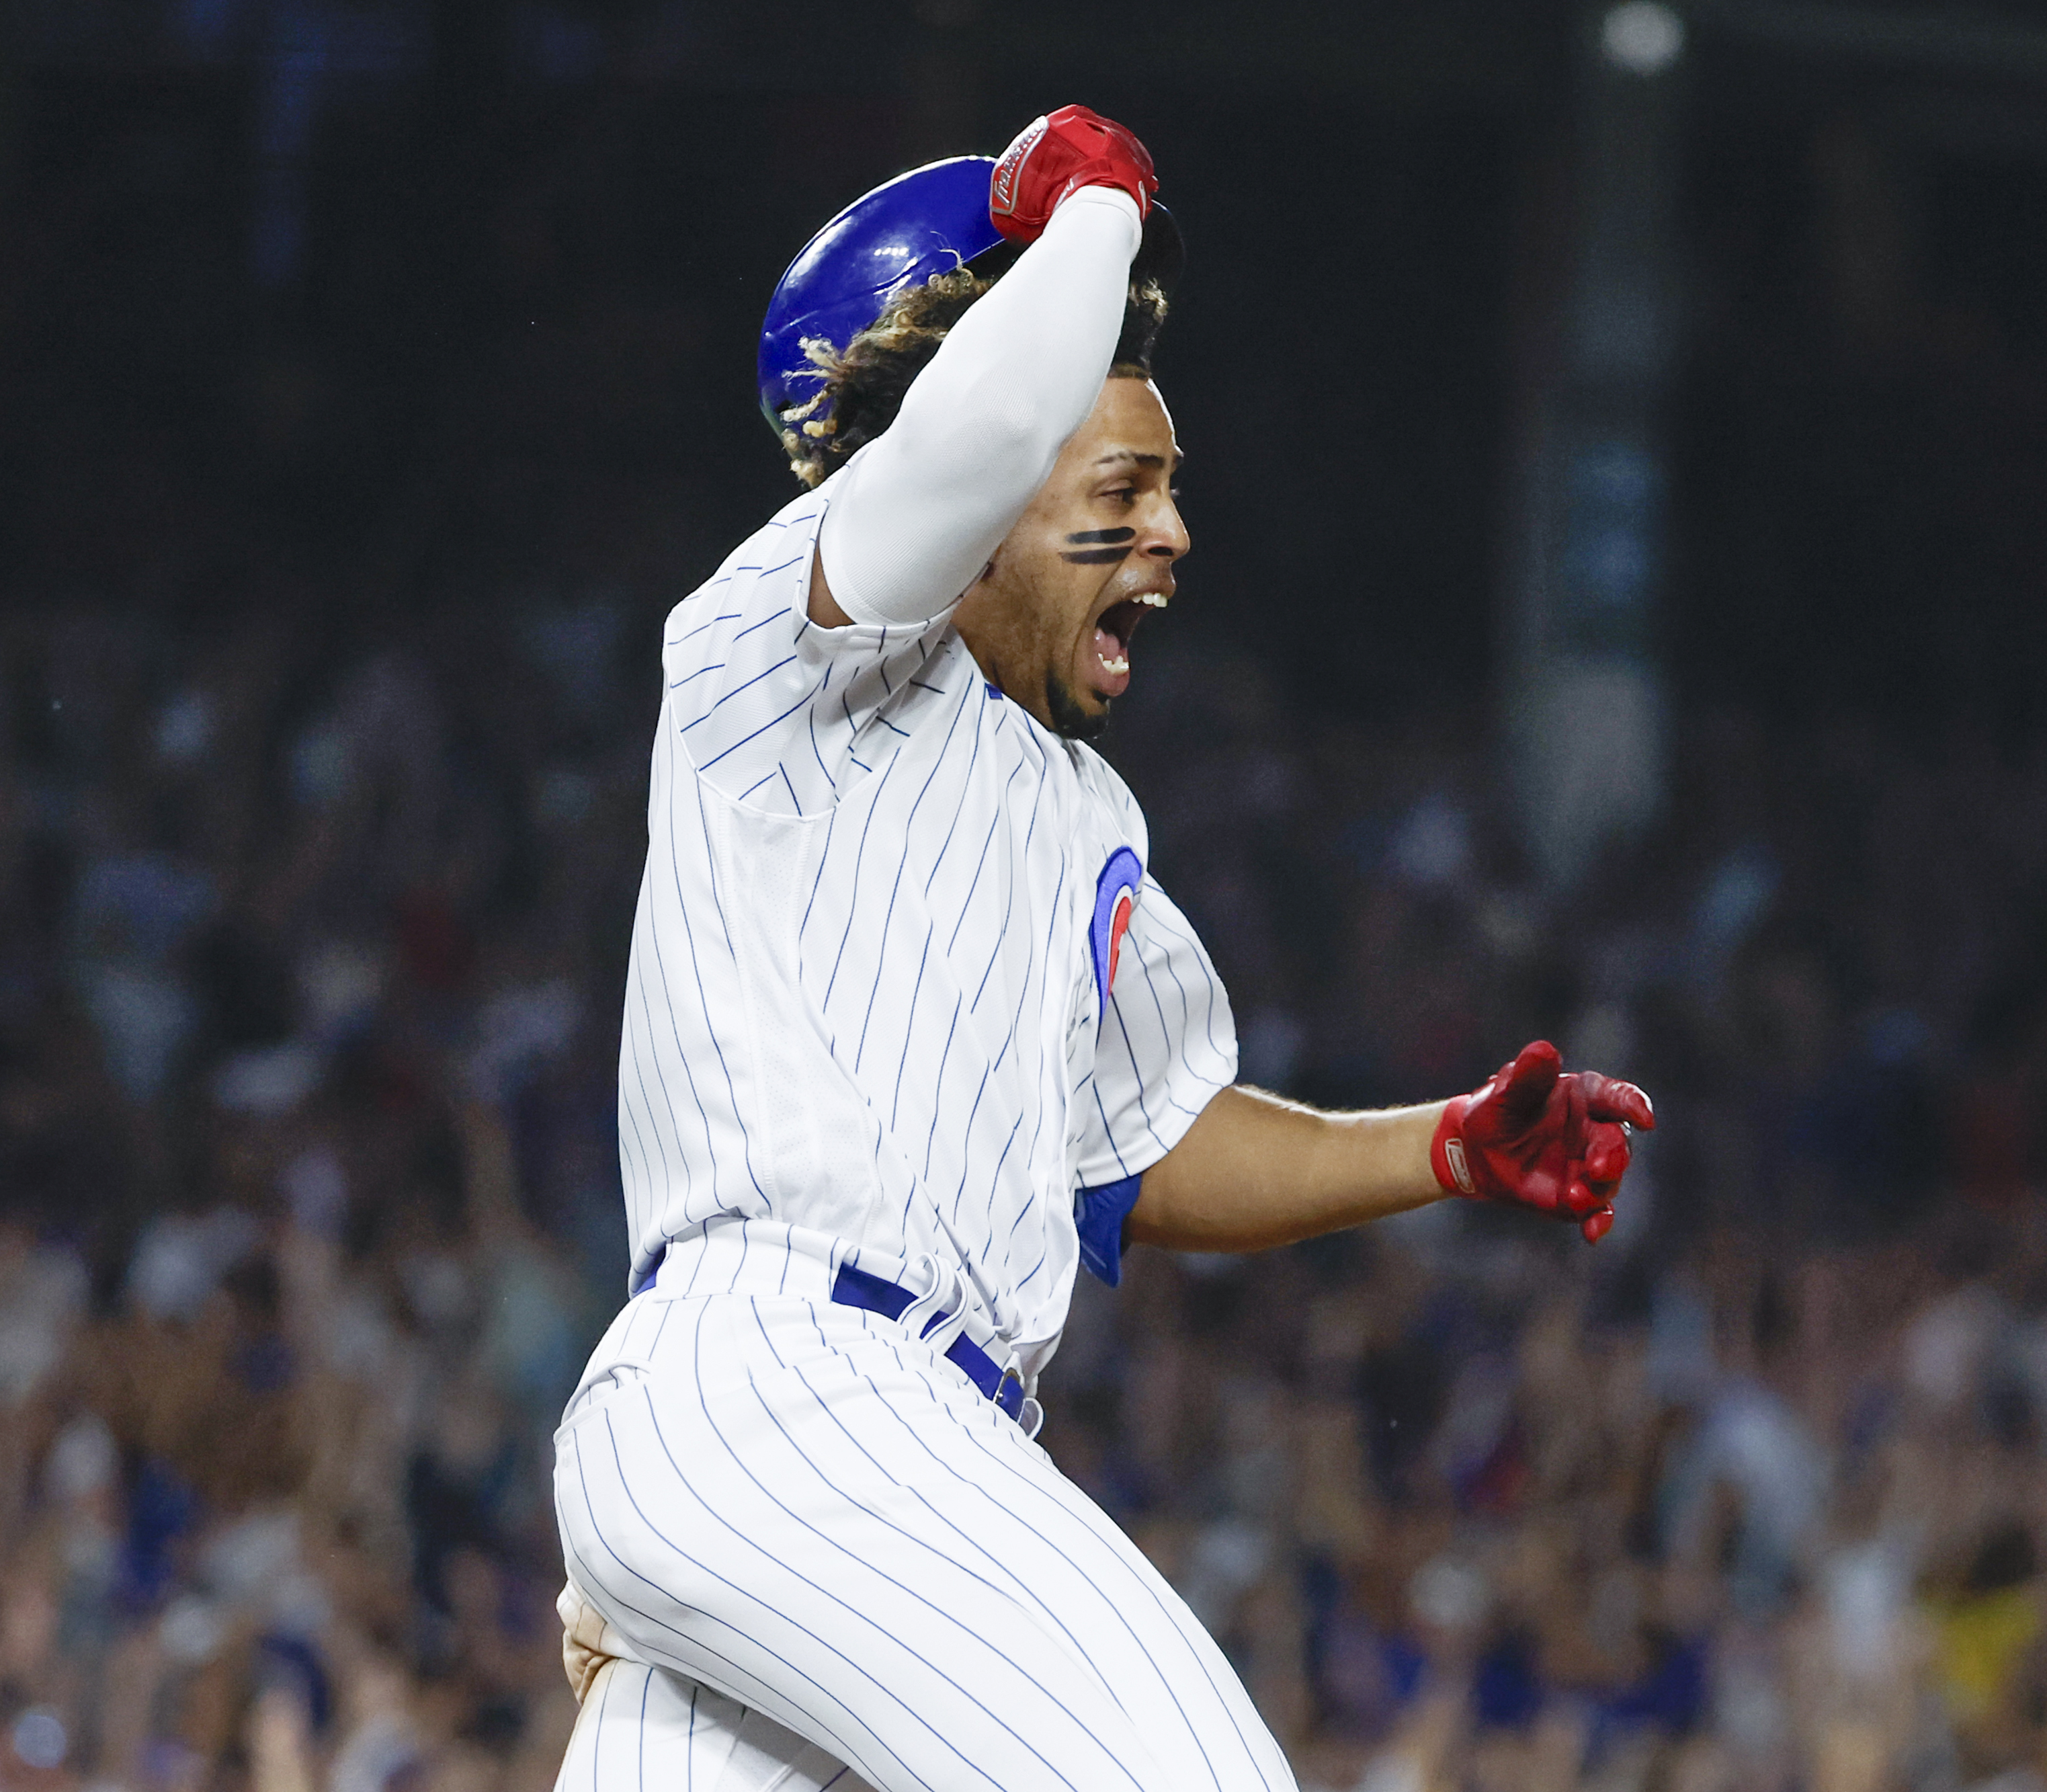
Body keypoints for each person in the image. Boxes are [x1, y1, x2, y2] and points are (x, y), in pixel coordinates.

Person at [550, 106, 1655, 1792]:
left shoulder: (1078, 812)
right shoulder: (768, 653)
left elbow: (1149, 1138)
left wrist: (1432, 1149)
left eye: (1171, 491)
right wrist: (1079, 206)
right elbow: (979, 426)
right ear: (966, 485)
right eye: (1120, 488)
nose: (1170, 535)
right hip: (794, 1382)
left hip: (841, 1449)